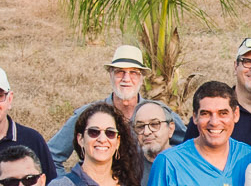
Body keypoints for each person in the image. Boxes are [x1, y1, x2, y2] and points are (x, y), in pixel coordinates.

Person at [50, 43, 184, 163]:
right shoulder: (89, 115)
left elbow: (192, 147)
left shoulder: (159, 113)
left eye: (133, 73)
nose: (126, 79)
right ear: (111, 75)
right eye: (120, 72)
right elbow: (52, 155)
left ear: (142, 78)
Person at [134, 100, 179, 165]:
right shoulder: (129, 166)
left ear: (170, 129)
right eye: (140, 126)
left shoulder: (185, 163)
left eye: (154, 124)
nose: (146, 132)